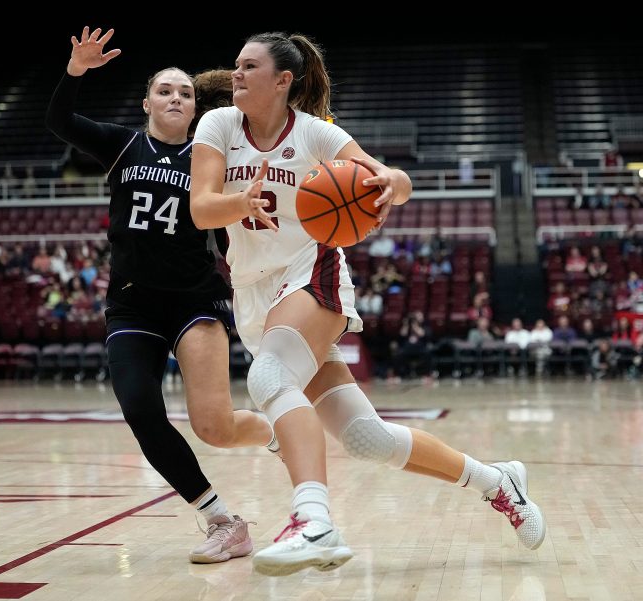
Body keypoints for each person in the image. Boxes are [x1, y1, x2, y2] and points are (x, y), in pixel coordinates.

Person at [191, 31, 546, 576]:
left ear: (283, 80)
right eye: (235, 64)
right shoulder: (218, 125)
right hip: (253, 292)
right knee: (365, 437)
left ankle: (313, 521)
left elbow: (392, 181)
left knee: (269, 379)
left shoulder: (314, 132)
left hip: (310, 273)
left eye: (249, 66)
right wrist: (240, 201)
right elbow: (202, 209)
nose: (235, 73)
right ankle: (498, 481)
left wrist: (392, 181)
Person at [45, 25, 275, 564]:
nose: (176, 97)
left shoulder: (211, 156)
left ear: (196, 108)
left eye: (185, 93)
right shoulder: (123, 145)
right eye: (165, 90)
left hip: (194, 300)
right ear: (146, 102)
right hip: (132, 305)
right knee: (140, 410)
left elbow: (233, 228)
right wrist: (75, 70)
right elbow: (59, 121)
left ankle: (278, 431)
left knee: (214, 427)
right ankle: (222, 521)